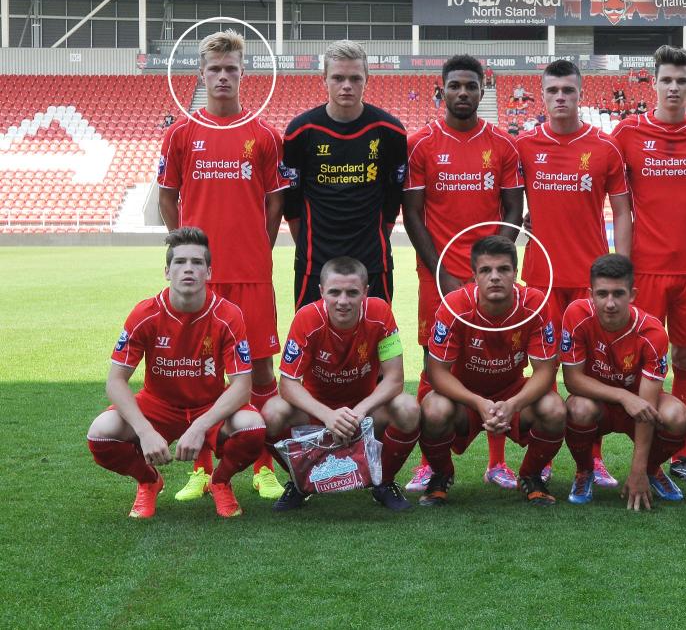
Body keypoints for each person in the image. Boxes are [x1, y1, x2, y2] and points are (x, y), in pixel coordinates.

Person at [157, 29, 288, 502]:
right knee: (201, 375)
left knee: (260, 372)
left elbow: (275, 205)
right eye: (214, 69)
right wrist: (187, 244)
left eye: (231, 68)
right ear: (201, 74)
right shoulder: (181, 134)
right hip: (202, 279)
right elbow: (168, 199)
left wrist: (257, 247)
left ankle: (263, 468)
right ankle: (201, 467)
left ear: (243, 73)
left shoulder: (265, 135)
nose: (223, 76)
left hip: (251, 274)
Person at [402, 54, 524, 492]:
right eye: (455, 86)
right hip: (439, 277)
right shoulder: (421, 144)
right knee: (431, 364)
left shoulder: (503, 145)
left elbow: (513, 208)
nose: (463, 93)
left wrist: (494, 265)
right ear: (442, 90)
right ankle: (427, 463)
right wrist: (442, 275)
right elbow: (413, 214)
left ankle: (497, 463)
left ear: (482, 91)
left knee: (495, 360)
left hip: (488, 275)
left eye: (471, 86)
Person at [87, 228, 265, 518]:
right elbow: (115, 381)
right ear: (167, 271)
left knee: (253, 427)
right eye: (180, 262)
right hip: (158, 406)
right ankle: (148, 480)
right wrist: (145, 431)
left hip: (208, 405)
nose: (188, 269)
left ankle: (220, 482)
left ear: (209, 272)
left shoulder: (228, 314)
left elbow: (242, 386)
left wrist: (198, 426)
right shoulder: (145, 314)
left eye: (197, 263)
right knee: (100, 435)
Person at [611, 44, 686, 485]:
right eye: (666, 80)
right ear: (653, 83)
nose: (674, 87)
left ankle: (679, 454)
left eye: (682, 81)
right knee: (635, 359)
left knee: (685, 355)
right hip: (645, 268)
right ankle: (615, 454)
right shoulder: (626, 133)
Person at [516, 58, 632, 487]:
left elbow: (622, 210)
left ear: (581, 94)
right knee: (540, 374)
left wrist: (622, 266)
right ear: (541, 94)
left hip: (592, 283)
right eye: (553, 91)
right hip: (541, 280)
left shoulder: (604, 147)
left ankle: (592, 461)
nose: (560, 98)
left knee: (591, 376)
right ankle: (540, 460)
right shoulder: (524, 146)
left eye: (568, 91)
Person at [417, 236, 567, 507]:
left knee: (555, 409)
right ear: (474, 275)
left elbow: (545, 371)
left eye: (503, 269)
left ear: (515, 273)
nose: (495, 277)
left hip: (511, 390)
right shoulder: (454, 305)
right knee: (433, 409)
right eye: (486, 270)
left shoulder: (535, 304)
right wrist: (478, 403)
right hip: (465, 394)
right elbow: (437, 372)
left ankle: (531, 476)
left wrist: (512, 404)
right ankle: (441, 476)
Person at [262, 256, 421, 512]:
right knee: (271, 412)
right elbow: (288, 383)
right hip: (316, 413)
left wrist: (357, 413)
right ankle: (300, 482)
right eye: (335, 292)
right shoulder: (307, 318)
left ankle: (383, 482)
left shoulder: (380, 313)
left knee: (408, 407)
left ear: (365, 293)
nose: (343, 301)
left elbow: (395, 379)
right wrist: (328, 416)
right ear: (322, 291)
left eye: (352, 292)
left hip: (364, 412)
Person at [282, 40, 407, 309]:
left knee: (380, 344)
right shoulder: (299, 131)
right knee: (311, 342)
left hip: (373, 261)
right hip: (315, 263)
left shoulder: (390, 131)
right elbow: (291, 205)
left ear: (367, 80)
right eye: (338, 77)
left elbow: (393, 199)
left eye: (355, 78)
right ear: (324, 78)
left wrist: (379, 235)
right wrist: (308, 244)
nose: (346, 85)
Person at [562, 254, 686, 507]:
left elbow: (645, 405)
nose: (610, 303)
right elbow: (573, 381)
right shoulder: (576, 314)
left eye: (618, 294)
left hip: (640, 401)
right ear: (590, 294)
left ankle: (651, 470)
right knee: (577, 407)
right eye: (602, 294)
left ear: (632, 294)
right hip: (599, 403)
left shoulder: (652, 332)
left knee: (677, 415)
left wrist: (638, 470)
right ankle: (585, 471)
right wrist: (623, 395)